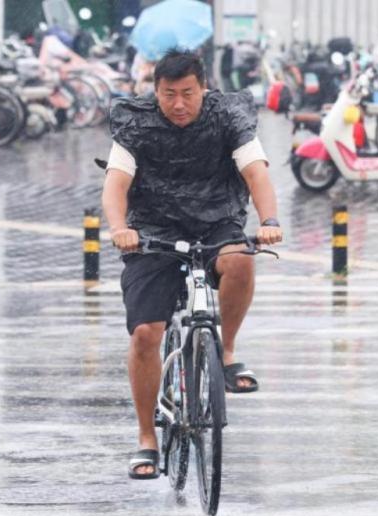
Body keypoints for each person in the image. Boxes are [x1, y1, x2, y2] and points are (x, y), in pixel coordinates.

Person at [101, 49, 283, 480]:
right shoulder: (136, 121)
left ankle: (227, 351)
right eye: (169, 94)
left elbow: (256, 172)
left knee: (240, 260)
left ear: (204, 88)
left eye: (187, 93)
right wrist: (120, 227)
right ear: (155, 91)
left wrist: (269, 221)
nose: (178, 104)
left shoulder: (229, 115)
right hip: (152, 231)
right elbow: (116, 183)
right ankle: (147, 437)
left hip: (217, 221)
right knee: (146, 334)